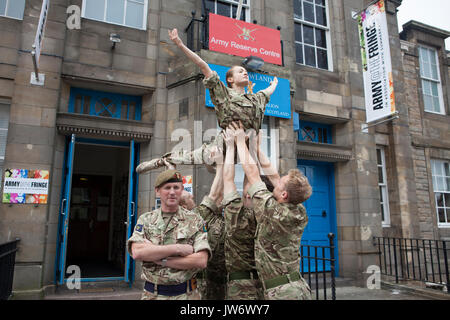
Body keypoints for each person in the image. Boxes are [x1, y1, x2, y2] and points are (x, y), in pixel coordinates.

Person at [135, 28, 278, 174]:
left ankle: (213, 169)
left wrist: (274, 84)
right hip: (222, 145)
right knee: (187, 157)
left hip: (246, 147)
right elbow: (203, 65)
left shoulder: (256, 98)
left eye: (245, 71)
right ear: (230, 79)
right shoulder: (224, 93)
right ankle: (158, 162)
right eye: (240, 71)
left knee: (252, 176)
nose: (245, 72)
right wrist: (179, 44)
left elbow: (268, 92)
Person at [228, 121, 313, 300]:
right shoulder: (299, 210)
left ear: (283, 194)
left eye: (281, 182)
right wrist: (257, 149)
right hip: (296, 287)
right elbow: (274, 176)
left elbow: (252, 173)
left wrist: (240, 142)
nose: (277, 179)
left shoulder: (273, 211)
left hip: (283, 293)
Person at [127, 169, 212, 300]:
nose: (172, 192)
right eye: (167, 188)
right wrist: (177, 248)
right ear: (157, 191)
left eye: (176, 187)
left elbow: (201, 260)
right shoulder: (146, 220)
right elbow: (138, 252)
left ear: (182, 190)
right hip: (152, 295)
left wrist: (161, 260)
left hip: (187, 295)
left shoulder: (195, 220)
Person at [220, 129, 263, 300]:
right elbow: (252, 179)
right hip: (263, 285)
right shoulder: (267, 216)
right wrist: (250, 148)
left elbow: (228, 179)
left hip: (241, 289)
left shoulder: (236, 215)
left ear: (246, 196)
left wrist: (231, 146)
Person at [179, 163, 226, 300]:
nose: (193, 197)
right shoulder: (197, 215)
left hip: (208, 277)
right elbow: (215, 194)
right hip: (202, 281)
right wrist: (221, 165)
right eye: (189, 197)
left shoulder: (183, 218)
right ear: (183, 206)